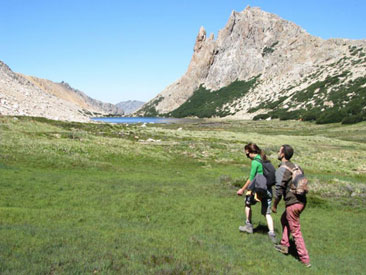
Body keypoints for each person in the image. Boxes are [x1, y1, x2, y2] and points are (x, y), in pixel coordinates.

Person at [272, 144, 311, 267]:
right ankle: (284, 245)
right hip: (302, 201)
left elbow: (278, 190)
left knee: (296, 231)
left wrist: (274, 205)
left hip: (293, 203)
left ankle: (305, 260)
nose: (278, 152)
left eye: (279, 151)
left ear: (283, 154)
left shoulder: (282, 169)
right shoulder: (296, 166)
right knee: (284, 219)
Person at [237, 143, 276, 243]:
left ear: (251, 152)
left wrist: (242, 189)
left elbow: (251, 179)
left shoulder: (255, 162)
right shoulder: (264, 159)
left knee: (247, 203)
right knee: (267, 213)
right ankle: (272, 233)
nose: (247, 156)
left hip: (258, 189)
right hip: (268, 189)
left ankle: (248, 226)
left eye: (247, 154)